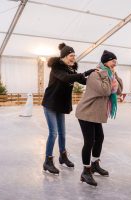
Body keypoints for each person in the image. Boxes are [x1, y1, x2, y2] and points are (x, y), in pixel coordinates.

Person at [42, 43, 96, 175]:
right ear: (64, 57)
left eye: (74, 56)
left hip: (60, 106)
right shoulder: (56, 68)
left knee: (63, 134)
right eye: (71, 56)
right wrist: (84, 73)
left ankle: (63, 156)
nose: (73, 58)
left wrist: (95, 76)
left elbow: (82, 80)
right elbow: (66, 78)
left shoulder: (70, 69)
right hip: (50, 104)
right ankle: (47, 161)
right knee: (53, 133)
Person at [75, 50, 123, 186]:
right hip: (86, 112)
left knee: (99, 138)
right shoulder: (95, 75)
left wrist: (115, 76)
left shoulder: (110, 75)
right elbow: (105, 91)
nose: (115, 63)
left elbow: (119, 90)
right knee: (89, 141)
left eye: (116, 61)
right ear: (105, 61)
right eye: (113, 60)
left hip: (96, 113)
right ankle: (86, 171)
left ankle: (95, 164)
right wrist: (107, 75)